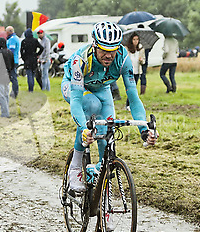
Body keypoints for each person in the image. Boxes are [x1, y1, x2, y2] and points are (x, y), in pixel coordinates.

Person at [61, 21, 157, 193]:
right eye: (104, 50)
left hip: (101, 87)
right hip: (74, 85)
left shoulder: (123, 59)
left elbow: (133, 98)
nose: (108, 55)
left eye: (112, 51)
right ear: (95, 46)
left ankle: (98, 171)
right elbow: (76, 100)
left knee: (108, 127)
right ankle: (75, 169)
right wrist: (84, 129)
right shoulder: (81, 60)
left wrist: (144, 130)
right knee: (92, 105)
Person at [0, 38, 14, 118]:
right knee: (6, 95)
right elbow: (12, 65)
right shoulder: (10, 52)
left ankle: (5, 113)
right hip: (7, 76)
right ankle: (6, 111)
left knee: (0, 96)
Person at [125, 33, 145, 110]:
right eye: (134, 39)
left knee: (134, 89)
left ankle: (131, 104)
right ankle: (128, 104)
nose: (136, 41)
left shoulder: (141, 49)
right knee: (130, 88)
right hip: (129, 72)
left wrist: (141, 60)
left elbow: (143, 61)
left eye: (137, 39)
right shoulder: (127, 49)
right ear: (131, 40)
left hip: (137, 72)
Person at [6, 26, 21, 98]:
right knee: (12, 77)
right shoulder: (16, 38)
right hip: (15, 60)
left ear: (9, 31)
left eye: (6, 32)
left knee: (13, 77)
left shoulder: (12, 39)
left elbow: (11, 50)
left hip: (12, 61)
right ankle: (13, 92)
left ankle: (15, 93)